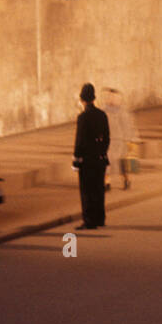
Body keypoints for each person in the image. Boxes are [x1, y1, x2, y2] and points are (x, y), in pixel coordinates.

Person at [73, 83, 110, 230]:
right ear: (93, 99)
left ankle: (89, 220)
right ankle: (100, 218)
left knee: (87, 190)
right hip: (100, 157)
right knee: (98, 189)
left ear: (83, 100)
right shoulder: (102, 115)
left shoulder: (83, 117)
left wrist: (76, 158)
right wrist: (102, 151)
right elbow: (107, 137)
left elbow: (80, 140)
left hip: (87, 159)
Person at [101, 87, 138, 188]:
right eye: (109, 97)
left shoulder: (123, 112)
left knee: (123, 163)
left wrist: (131, 139)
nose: (111, 99)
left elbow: (128, 126)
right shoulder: (103, 111)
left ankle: (126, 179)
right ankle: (107, 182)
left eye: (113, 97)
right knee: (106, 163)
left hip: (120, 140)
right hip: (108, 140)